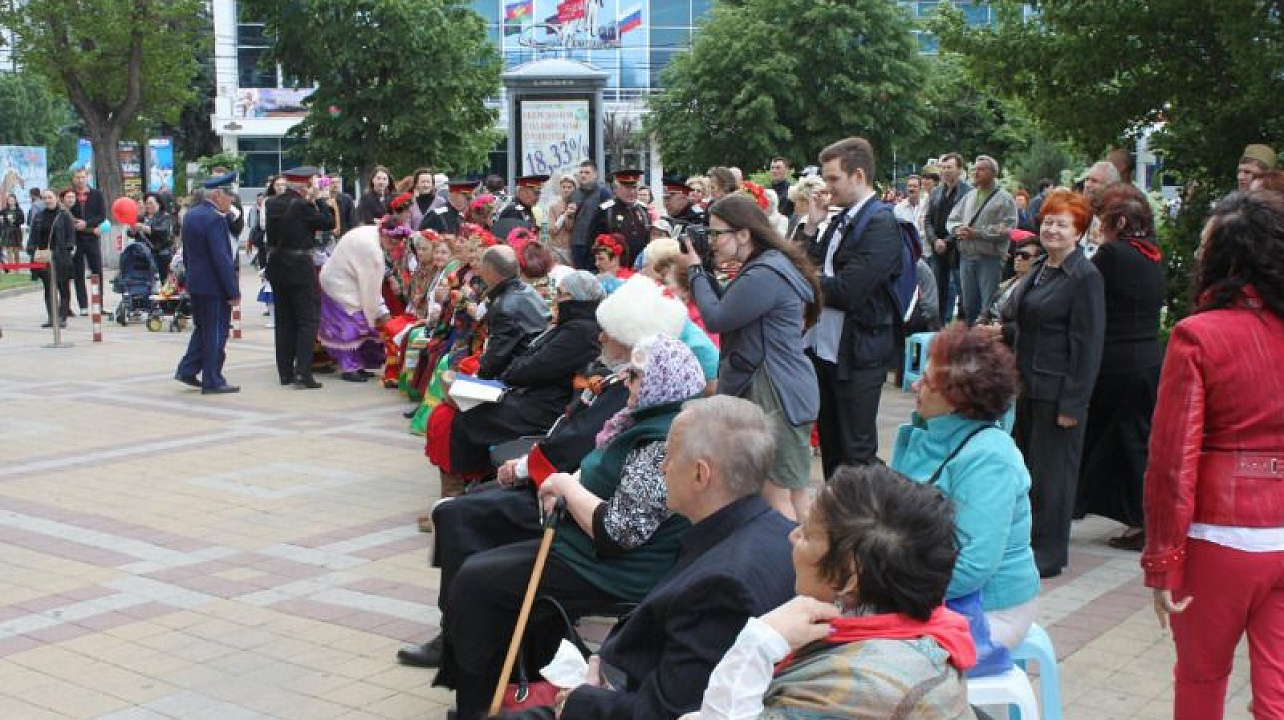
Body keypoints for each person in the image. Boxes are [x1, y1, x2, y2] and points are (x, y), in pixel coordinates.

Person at [395, 273, 691, 668]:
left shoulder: (635, 395)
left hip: (571, 508)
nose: (600, 338)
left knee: (460, 517)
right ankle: (464, 626)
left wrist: (525, 469)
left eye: (609, 332)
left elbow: (579, 447)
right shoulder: (618, 378)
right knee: (464, 509)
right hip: (567, 494)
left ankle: (458, 636)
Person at [433, 334, 707, 720]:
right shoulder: (642, 420)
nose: (626, 382)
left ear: (662, 383)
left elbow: (619, 533)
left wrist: (564, 487)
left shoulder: (660, 440)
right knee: (482, 567)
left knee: (479, 582)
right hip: (584, 547)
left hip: (618, 569)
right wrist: (563, 487)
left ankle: (478, 707)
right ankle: (503, 689)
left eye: (636, 377)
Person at [498, 396, 797, 720]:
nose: (662, 467)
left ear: (701, 474)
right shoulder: (780, 532)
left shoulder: (724, 585)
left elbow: (667, 711)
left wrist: (580, 702)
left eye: (669, 456)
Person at [1142, 190, 1284, 720]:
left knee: (1201, 681)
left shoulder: (1198, 336)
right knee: (1278, 695)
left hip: (1219, 536)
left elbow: (1172, 463)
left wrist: (1163, 562)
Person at [692, 465, 976, 720]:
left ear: (850, 578)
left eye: (808, 533)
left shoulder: (864, 685)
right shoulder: (915, 630)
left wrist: (757, 644)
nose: (792, 536)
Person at [893, 323, 1040, 649]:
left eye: (926, 381)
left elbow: (973, 566)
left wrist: (890, 589)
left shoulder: (991, 457)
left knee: (876, 655)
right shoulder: (926, 433)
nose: (916, 385)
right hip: (933, 592)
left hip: (990, 608)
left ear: (957, 399)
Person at [680, 193, 822, 521]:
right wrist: (704, 273)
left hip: (776, 392)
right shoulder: (768, 266)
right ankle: (804, 565)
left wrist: (696, 271)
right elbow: (729, 308)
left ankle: (789, 569)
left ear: (744, 234)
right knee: (795, 492)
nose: (711, 241)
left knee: (777, 496)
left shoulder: (765, 273)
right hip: (786, 388)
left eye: (717, 234)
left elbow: (716, 318)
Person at [993, 189, 1105, 578]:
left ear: (1079, 233)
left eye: (1062, 224)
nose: (1052, 229)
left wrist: (1074, 404)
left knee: (1053, 478)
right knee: (1028, 471)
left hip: (1058, 392)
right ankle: (1026, 543)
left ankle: (1049, 551)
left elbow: (1087, 345)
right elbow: (1031, 322)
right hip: (1027, 386)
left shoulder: (1084, 276)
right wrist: (1001, 333)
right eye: (1048, 221)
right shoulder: (1042, 267)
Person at [799, 137, 903, 474]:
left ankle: (862, 524)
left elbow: (848, 291)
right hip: (829, 349)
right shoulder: (842, 218)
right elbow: (804, 262)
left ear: (858, 176)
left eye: (833, 179)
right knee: (831, 443)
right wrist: (812, 225)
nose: (827, 189)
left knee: (856, 450)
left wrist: (808, 281)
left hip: (859, 352)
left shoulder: (881, 223)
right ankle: (836, 521)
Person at [1075, 183, 1165, 551]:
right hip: (1148, 360)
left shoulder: (1112, 254)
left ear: (1121, 221)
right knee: (1134, 443)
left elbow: (1086, 295)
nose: (1101, 227)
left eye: (1105, 220)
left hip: (1117, 364)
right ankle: (1141, 518)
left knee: (1121, 446)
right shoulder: (1152, 254)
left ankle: (1142, 519)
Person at [447, 271, 604, 478]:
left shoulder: (581, 331)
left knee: (469, 416)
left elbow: (534, 367)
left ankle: (468, 481)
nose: (557, 299)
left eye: (562, 294)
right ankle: (472, 479)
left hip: (546, 406)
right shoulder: (572, 324)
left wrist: (512, 371)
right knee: (464, 406)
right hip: (535, 394)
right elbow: (530, 357)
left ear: (578, 299)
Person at [264, 166, 336, 389]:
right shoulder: (304, 205)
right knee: (307, 319)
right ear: (307, 184)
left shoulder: (272, 203)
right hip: (299, 265)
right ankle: (303, 373)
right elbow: (328, 223)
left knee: (284, 319)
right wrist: (321, 200)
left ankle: (284, 372)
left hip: (276, 264)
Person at [174, 173, 242, 395]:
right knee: (215, 332)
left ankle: (188, 369)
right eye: (229, 195)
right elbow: (221, 258)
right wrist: (233, 290)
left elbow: (186, 254)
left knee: (202, 329)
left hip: (196, 282)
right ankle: (212, 378)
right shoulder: (215, 219)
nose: (231, 200)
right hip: (214, 286)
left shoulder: (192, 215)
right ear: (217, 194)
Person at [317, 223, 399, 382]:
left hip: (346, 280)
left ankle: (358, 365)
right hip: (339, 285)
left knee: (360, 325)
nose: (392, 247)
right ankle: (348, 367)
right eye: (392, 242)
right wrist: (382, 311)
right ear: (384, 235)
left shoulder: (372, 233)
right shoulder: (372, 249)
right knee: (350, 327)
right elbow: (371, 286)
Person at [946, 155, 1019, 325]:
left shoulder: (1004, 199)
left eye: (981, 169)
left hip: (989, 259)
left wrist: (978, 233)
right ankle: (971, 342)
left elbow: (1008, 227)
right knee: (969, 306)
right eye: (975, 169)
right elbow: (951, 219)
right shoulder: (969, 196)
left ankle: (986, 343)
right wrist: (957, 229)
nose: (976, 172)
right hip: (966, 258)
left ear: (993, 173)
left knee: (988, 307)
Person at [925, 153, 970, 324]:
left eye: (949, 167)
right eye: (943, 167)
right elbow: (927, 219)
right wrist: (934, 240)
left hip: (958, 249)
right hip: (938, 249)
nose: (945, 171)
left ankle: (963, 328)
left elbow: (966, 221)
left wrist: (947, 241)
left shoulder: (968, 193)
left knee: (963, 291)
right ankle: (938, 328)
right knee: (938, 291)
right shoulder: (936, 192)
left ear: (959, 169)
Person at [25, 188, 73, 327]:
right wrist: (31, 249)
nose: (47, 200)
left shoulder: (64, 215)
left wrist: (68, 247)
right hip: (44, 257)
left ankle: (62, 316)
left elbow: (70, 235)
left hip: (61, 256)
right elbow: (33, 235)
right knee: (48, 288)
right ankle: (52, 317)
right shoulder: (39, 216)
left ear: (57, 198)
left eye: (50, 197)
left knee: (63, 287)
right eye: (44, 198)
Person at [590, 169, 651, 266]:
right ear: (617, 188)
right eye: (627, 188)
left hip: (640, 269)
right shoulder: (606, 210)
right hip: (615, 269)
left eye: (634, 187)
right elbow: (594, 244)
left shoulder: (643, 210)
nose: (631, 192)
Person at [980, 231, 1042, 324]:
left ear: (1038, 260)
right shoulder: (1008, 283)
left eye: (1025, 256)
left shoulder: (1037, 287)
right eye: (1017, 254)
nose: (1018, 258)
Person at [67, 167, 106, 316]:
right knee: (78, 273)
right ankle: (83, 306)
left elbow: (101, 216)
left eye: (82, 177)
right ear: (73, 179)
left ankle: (99, 304)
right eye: (77, 177)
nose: (80, 180)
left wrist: (87, 223)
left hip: (91, 237)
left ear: (87, 177)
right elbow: (65, 212)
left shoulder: (97, 194)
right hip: (76, 239)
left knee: (97, 271)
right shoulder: (69, 195)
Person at [568, 161, 614, 271]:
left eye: (587, 172)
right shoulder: (574, 194)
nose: (583, 175)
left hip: (595, 245)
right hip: (577, 244)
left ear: (595, 175)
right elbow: (570, 221)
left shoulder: (604, 194)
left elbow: (609, 220)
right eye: (581, 172)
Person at [128, 193, 177, 281]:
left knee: (163, 280)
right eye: (146, 203)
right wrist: (133, 230)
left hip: (161, 255)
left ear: (158, 204)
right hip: (144, 255)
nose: (148, 206)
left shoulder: (165, 217)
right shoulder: (142, 217)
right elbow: (131, 233)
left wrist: (144, 228)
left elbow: (163, 231)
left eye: (151, 203)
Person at [493, 173, 546, 242]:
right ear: (522, 191)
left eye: (539, 193)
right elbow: (510, 239)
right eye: (535, 193)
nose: (537, 197)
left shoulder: (526, 209)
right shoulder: (513, 211)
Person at [547, 174, 577, 255]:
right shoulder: (553, 207)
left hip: (571, 248)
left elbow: (570, 227)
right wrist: (564, 215)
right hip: (555, 248)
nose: (566, 190)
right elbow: (552, 230)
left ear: (575, 189)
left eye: (569, 187)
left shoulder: (578, 205)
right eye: (563, 187)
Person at [0, 192, 23, 271]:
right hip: (7, 232)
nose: (11, 201)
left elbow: (22, 220)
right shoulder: (5, 210)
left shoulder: (19, 210)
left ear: (15, 201)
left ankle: (17, 269)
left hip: (16, 232)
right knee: (9, 250)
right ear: (7, 201)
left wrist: (15, 221)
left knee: (16, 251)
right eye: (9, 200)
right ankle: (10, 268)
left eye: (12, 200)